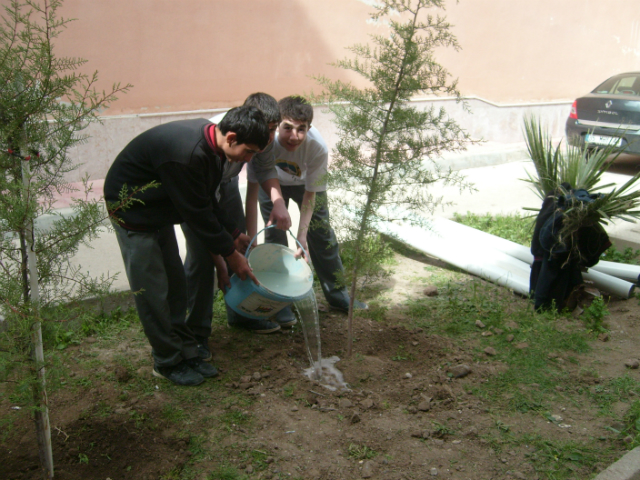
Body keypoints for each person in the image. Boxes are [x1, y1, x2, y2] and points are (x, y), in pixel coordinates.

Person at [104, 106, 267, 387]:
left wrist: (234, 232)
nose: (249, 159)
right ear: (231, 138)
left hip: (159, 210)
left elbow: (206, 199)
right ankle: (166, 362)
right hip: (133, 215)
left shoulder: (212, 148)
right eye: (249, 151)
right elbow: (197, 214)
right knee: (153, 291)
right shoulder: (189, 154)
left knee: (176, 285)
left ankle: (185, 352)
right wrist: (232, 255)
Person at [181, 94, 293, 353]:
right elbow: (204, 216)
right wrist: (222, 259)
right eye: (264, 133)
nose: (265, 142)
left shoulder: (263, 138)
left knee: (239, 244)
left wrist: (278, 201)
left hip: (225, 181)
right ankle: (196, 333)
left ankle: (242, 314)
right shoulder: (213, 141)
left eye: (271, 132)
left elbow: (265, 169)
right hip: (196, 186)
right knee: (202, 255)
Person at [254, 95, 368, 325]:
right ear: (277, 125)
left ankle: (338, 296)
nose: (294, 136)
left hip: (305, 187)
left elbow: (310, 194)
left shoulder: (317, 148)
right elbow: (258, 178)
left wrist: (303, 235)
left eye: (301, 129)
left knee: (322, 235)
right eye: (287, 128)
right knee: (275, 235)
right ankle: (281, 301)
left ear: (309, 128)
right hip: (272, 183)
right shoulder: (266, 140)